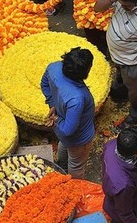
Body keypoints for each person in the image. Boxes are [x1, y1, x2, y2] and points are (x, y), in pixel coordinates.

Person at [40, 47, 96, 180]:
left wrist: (52, 103)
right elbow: (68, 130)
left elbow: (44, 84)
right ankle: (73, 187)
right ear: (85, 72)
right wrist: (57, 119)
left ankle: (62, 170)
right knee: (76, 165)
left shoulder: (53, 68)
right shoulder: (76, 98)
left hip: (62, 133)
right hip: (78, 138)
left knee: (64, 146)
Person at [101, 125, 137, 222]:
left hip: (115, 200)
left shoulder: (111, 145)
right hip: (126, 213)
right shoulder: (124, 185)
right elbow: (125, 213)